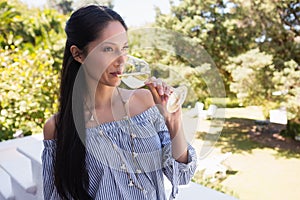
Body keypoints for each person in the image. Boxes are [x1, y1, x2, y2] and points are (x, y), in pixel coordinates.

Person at [42, 5, 197, 200]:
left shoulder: (146, 102)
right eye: (108, 49)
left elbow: (182, 175)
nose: (121, 60)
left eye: (124, 48)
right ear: (78, 54)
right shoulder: (58, 128)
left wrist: (173, 122)